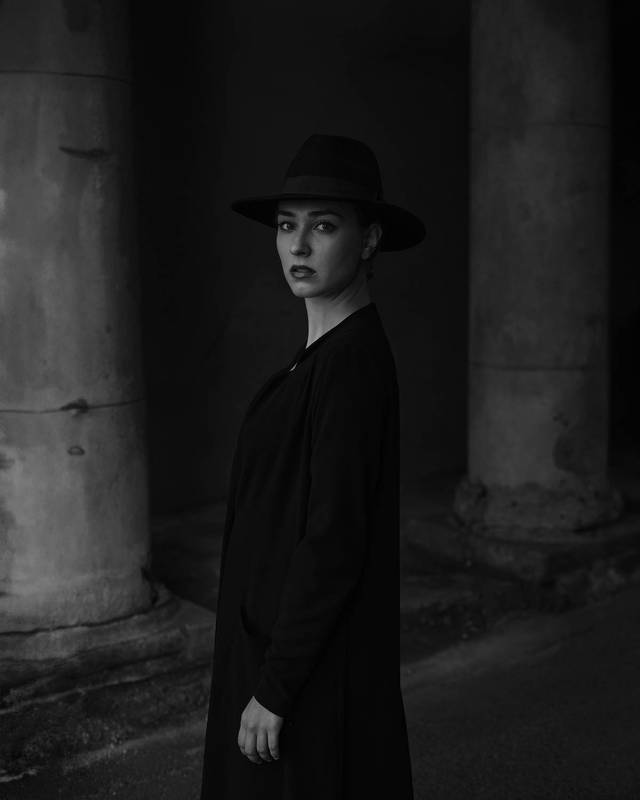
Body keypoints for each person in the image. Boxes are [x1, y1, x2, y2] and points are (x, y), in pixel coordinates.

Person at [200, 134, 425, 800]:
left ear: (369, 240)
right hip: (273, 647)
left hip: (306, 674)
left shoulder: (350, 368)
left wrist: (276, 688)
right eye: (285, 226)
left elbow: (334, 543)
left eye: (323, 227)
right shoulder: (323, 355)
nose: (297, 246)